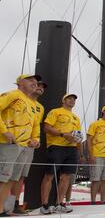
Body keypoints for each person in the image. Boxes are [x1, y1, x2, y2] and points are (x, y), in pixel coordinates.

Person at [0, 74, 41, 217]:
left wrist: (36, 139)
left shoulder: (31, 104)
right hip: (9, 144)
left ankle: (3, 209)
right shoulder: (12, 95)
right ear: (20, 82)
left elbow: (35, 125)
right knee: (3, 177)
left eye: (36, 81)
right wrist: (4, 131)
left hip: (24, 146)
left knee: (11, 179)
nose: (35, 83)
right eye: (30, 80)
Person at [40, 94, 82, 214]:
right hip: (56, 146)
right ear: (63, 100)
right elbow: (46, 128)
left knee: (66, 177)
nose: (72, 100)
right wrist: (63, 134)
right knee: (49, 175)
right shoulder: (55, 112)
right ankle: (44, 205)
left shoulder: (76, 118)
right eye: (69, 98)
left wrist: (80, 152)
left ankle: (59, 203)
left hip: (72, 149)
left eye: (74, 99)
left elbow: (78, 136)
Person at [10, 81, 47, 215]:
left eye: (42, 87)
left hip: (28, 145)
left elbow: (36, 126)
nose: (40, 87)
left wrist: (36, 140)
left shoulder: (40, 107)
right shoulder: (16, 98)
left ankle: (13, 204)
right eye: (38, 84)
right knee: (5, 174)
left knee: (21, 175)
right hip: (12, 142)